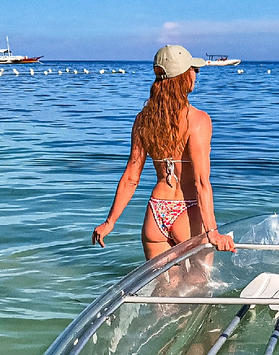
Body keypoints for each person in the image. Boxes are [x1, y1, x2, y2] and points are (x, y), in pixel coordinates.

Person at [91, 45, 236, 260]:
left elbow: (131, 178)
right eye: (194, 70)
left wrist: (109, 222)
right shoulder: (198, 121)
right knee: (199, 280)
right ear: (184, 76)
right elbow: (201, 182)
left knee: (162, 281)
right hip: (188, 211)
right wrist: (212, 232)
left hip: (156, 213)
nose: (196, 75)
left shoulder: (143, 119)